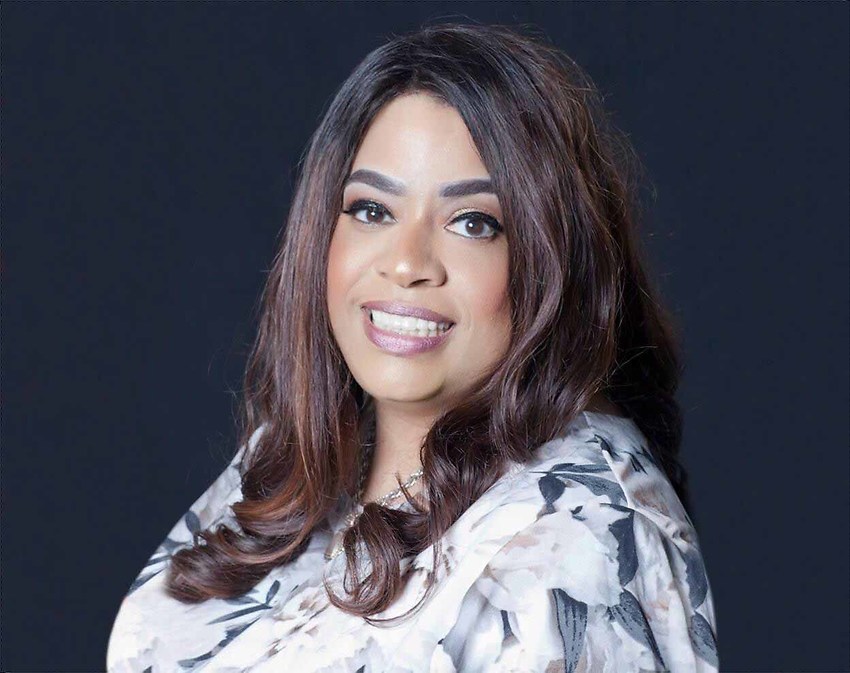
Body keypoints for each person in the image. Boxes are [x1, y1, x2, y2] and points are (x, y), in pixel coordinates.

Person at [107, 21, 719, 672]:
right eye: (372, 210)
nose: (406, 263)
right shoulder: (301, 461)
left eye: (473, 222)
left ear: (555, 262)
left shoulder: (573, 547)